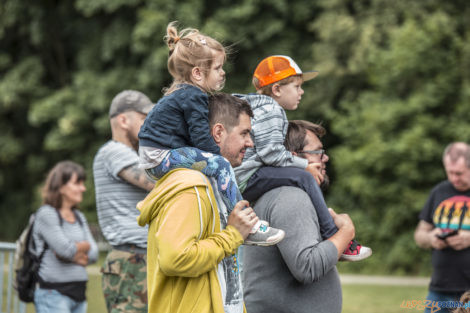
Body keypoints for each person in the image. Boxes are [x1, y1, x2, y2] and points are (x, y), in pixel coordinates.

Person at [137, 21, 284, 246]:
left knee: (213, 167)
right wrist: (220, 157)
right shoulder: (193, 95)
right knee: (220, 165)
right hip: (160, 155)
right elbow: (201, 138)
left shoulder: (184, 93)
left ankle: (226, 218)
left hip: (155, 154)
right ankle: (249, 225)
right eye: (217, 68)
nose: (223, 73)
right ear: (197, 73)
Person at [234, 55, 371, 261]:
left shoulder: (261, 108)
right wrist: (304, 165)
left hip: (246, 175)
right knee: (304, 177)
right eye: (297, 86)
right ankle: (333, 236)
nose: (302, 91)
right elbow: (270, 153)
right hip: (248, 175)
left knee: (299, 175)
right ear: (277, 89)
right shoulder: (272, 109)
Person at [137, 93, 262, 313]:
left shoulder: (216, 184)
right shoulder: (190, 185)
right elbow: (176, 258)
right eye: (244, 133)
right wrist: (233, 235)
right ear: (218, 132)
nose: (250, 143)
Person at [242, 120, 355, 313]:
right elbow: (307, 266)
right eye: (318, 152)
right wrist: (346, 232)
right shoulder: (290, 196)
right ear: (293, 158)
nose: (325, 158)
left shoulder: (281, 194)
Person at [93, 90, 155, 313]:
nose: (150, 125)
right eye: (143, 119)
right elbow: (153, 181)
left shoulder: (133, 154)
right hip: (132, 258)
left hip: (140, 255)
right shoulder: (113, 151)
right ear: (123, 120)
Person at [32, 161, 98, 313]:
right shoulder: (47, 214)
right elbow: (66, 250)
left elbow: (94, 254)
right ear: (61, 187)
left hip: (79, 295)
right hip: (54, 295)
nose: (83, 188)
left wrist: (77, 249)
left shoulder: (79, 216)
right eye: (77, 183)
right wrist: (80, 248)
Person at [414, 142, 470, 313]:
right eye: (450, 172)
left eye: (459, 173)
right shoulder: (439, 191)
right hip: (439, 290)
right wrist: (431, 239)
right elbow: (419, 234)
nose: (454, 178)